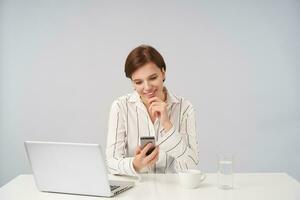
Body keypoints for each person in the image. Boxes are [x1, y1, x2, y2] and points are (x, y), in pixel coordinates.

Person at [106, 45, 199, 176]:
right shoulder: (120, 107)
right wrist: (135, 164)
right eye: (138, 82)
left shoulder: (184, 108)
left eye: (152, 78)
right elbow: (111, 163)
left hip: (173, 191)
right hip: (137, 190)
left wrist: (168, 125)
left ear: (163, 72)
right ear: (132, 82)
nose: (147, 87)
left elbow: (191, 165)